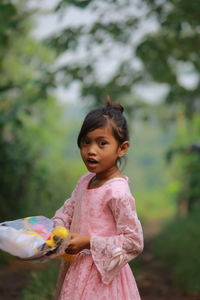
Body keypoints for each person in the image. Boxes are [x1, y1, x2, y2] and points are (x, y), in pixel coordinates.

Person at [52, 97, 144, 300]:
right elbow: (69, 209)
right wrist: (57, 227)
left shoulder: (117, 191)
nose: (91, 151)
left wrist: (88, 243)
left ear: (122, 148)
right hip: (77, 271)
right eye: (86, 142)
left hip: (104, 278)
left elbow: (133, 241)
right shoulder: (85, 181)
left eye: (102, 143)